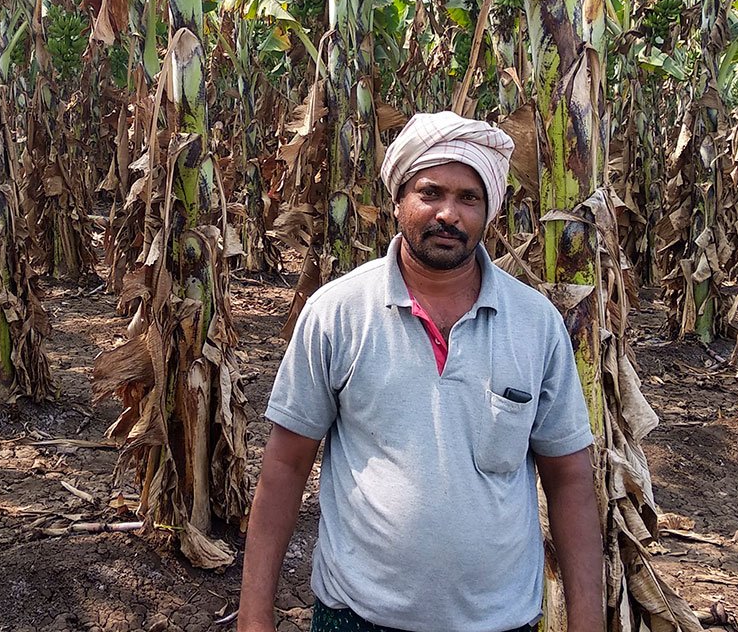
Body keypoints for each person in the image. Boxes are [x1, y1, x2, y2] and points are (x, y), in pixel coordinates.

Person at [237, 111, 603, 632]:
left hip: (499, 621)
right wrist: (254, 616)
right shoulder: (338, 313)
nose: (448, 214)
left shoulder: (536, 324)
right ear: (398, 202)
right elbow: (285, 467)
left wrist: (588, 622)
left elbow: (568, 478)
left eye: (468, 198)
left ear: (488, 211)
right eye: (430, 192)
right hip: (356, 617)